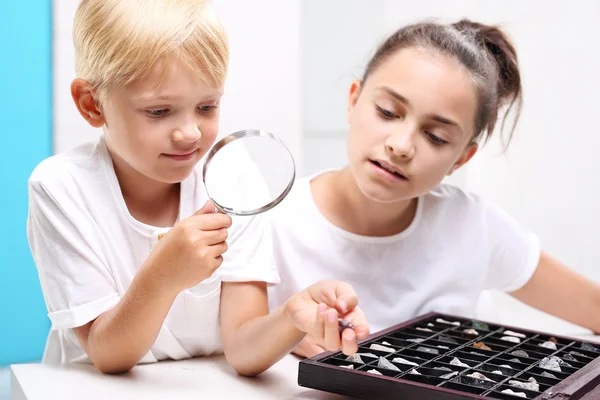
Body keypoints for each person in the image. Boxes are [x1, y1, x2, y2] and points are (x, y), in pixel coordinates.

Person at [26, 0, 368, 376]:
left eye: (207, 106)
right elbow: (107, 355)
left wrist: (292, 316)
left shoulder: (233, 172)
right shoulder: (60, 188)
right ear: (92, 105)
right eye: (158, 111)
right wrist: (162, 275)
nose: (189, 132)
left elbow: (242, 348)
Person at [267, 19, 600, 357]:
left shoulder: (472, 226)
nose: (401, 146)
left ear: (462, 158)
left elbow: (593, 308)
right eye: (387, 112)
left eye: (436, 137)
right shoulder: (275, 222)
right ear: (354, 100)